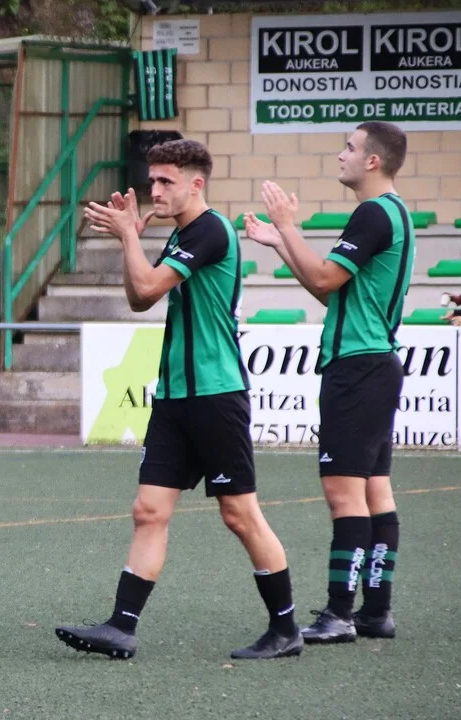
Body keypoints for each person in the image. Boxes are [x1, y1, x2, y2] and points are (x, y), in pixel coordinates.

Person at [55, 139, 302, 661]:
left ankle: (286, 629)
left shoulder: (210, 230)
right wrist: (130, 241)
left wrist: (128, 235)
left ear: (196, 184)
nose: (155, 190)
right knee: (148, 510)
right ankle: (121, 627)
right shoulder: (183, 235)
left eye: (166, 181)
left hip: (216, 394)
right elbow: (137, 296)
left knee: (240, 514)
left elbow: (146, 289)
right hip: (174, 396)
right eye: (152, 180)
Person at [244, 120, 414, 644]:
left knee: (344, 493)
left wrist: (287, 225)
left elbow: (323, 278)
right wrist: (281, 242)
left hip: (357, 368)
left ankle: (339, 615)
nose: (341, 154)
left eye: (350, 147)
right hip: (375, 364)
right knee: (373, 488)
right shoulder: (394, 212)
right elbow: (330, 291)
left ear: (373, 161)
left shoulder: (372, 213)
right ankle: (375, 612)